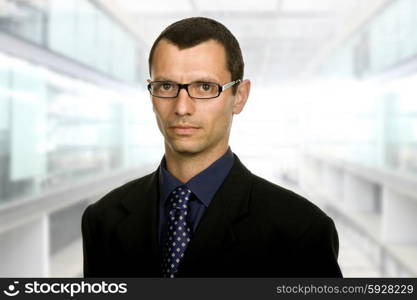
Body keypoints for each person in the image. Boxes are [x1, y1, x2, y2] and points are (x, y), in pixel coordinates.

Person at [81, 17, 342, 278]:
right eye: (166, 86)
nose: (182, 107)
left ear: (239, 96)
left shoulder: (301, 229)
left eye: (205, 87)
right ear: (152, 95)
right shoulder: (103, 219)